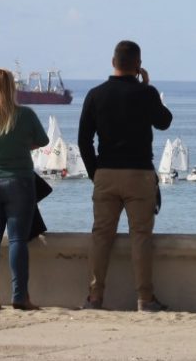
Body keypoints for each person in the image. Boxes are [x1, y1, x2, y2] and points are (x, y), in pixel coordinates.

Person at [79, 40, 173, 312]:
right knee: (140, 235)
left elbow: (84, 140)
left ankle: (95, 297)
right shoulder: (146, 93)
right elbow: (164, 121)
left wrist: (94, 173)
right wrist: (146, 87)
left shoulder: (96, 95)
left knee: (101, 236)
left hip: (106, 172)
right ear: (138, 65)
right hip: (139, 173)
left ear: (113, 62)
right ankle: (145, 298)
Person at [0, 68, 50, 311]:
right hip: (19, 180)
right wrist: (22, 144)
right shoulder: (25, 114)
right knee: (17, 239)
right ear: (12, 87)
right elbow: (44, 140)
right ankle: (20, 296)